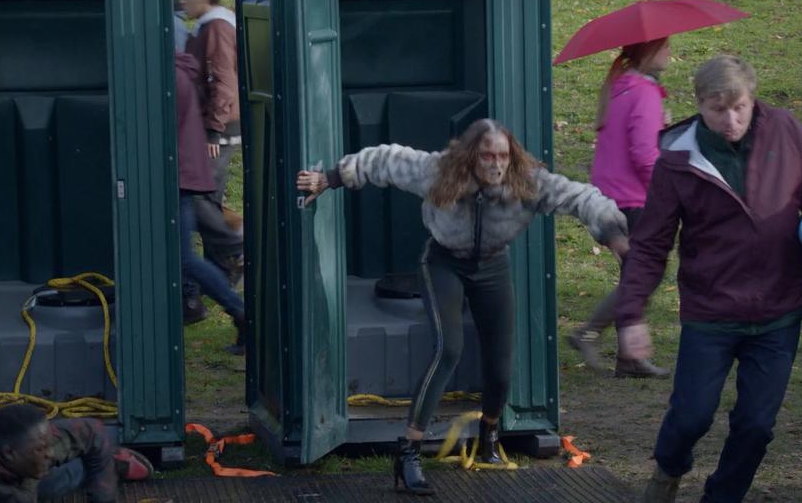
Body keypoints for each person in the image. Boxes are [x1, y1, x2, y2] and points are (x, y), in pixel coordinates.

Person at [296, 118, 630, 495]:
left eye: (502, 156)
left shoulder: (527, 181)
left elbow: (581, 196)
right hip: (443, 262)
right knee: (449, 349)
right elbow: (384, 160)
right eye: (487, 155)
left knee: (501, 365)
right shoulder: (439, 171)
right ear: (472, 156)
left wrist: (616, 236)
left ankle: (488, 437)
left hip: (492, 265)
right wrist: (331, 178)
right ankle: (408, 452)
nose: (495, 165)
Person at [616, 55, 802, 503]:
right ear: (700, 105)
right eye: (717, 109)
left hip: (778, 310)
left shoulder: (785, 130)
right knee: (691, 417)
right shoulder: (677, 159)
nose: (731, 119)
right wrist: (631, 316)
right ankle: (668, 469)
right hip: (711, 313)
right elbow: (650, 244)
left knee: (757, 425)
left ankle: (722, 496)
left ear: (753, 98)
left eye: (739, 107)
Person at [567, 37, 672, 378]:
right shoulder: (643, 92)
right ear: (649, 52)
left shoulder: (620, 87)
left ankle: (628, 357)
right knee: (644, 274)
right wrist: (668, 189)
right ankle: (591, 334)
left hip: (609, 197)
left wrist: (661, 127)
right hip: (634, 198)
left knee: (637, 274)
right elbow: (644, 155)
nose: (670, 52)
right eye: (665, 46)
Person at [0, 396, 152, 503]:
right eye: (40, 449)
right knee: (59, 480)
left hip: (17, 471)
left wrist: (103, 497)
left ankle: (108, 464)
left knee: (64, 465)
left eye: (48, 444)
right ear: (10, 453)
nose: (48, 452)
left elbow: (93, 430)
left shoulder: (33, 440)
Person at [179, 0, 245, 330]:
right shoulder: (209, 24)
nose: (183, 1)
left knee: (201, 198)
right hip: (209, 126)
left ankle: (233, 247)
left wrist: (215, 130)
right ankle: (211, 289)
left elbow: (223, 80)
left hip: (216, 129)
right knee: (202, 199)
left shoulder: (217, 27)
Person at [176, 51, 247, 355]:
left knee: (183, 257)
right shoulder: (180, 73)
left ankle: (240, 311)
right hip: (186, 173)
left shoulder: (172, 78)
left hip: (180, 175)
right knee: (182, 255)